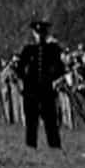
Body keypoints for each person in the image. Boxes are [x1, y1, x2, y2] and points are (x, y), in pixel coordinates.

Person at [16, 18, 64, 149]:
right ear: (34, 34)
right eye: (38, 33)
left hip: (46, 90)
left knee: (50, 121)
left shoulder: (53, 50)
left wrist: (55, 79)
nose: (40, 35)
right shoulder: (28, 50)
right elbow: (19, 69)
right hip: (31, 90)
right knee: (31, 121)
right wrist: (23, 82)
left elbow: (60, 69)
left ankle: (54, 146)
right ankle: (31, 145)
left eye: (43, 33)